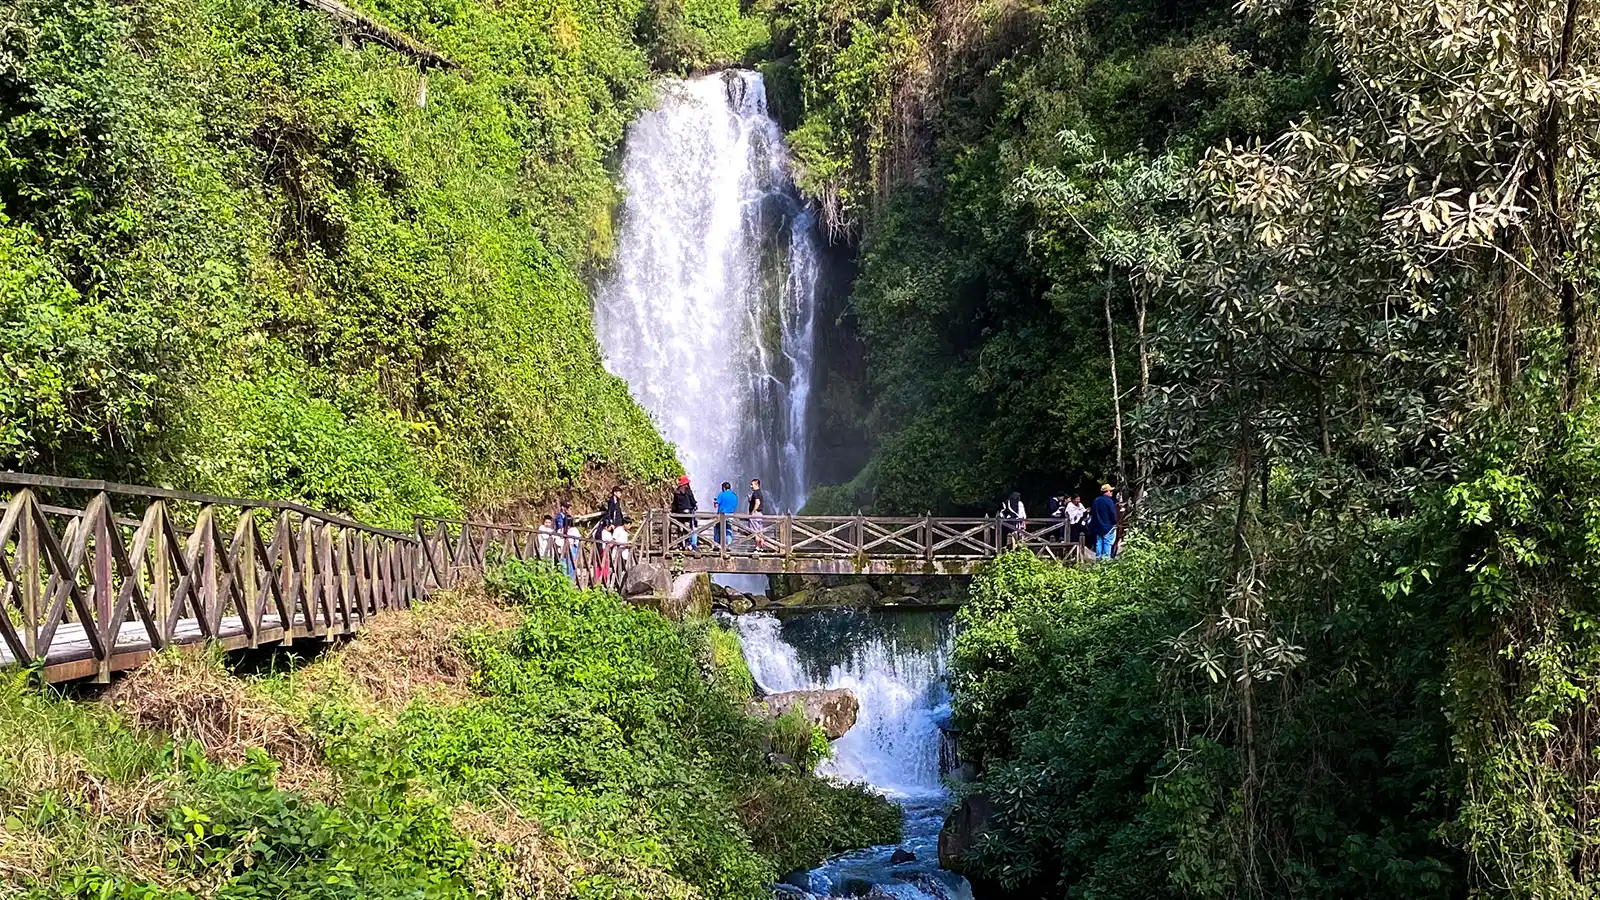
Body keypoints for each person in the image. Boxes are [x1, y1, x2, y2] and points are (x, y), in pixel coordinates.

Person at [1089, 483, 1119, 559]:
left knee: (1098, 543)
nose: (1111, 492)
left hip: (1097, 527)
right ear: (1107, 491)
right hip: (1108, 527)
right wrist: (1115, 522)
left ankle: (1098, 560)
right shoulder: (1109, 501)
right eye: (1110, 491)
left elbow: (1092, 513)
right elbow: (1112, 514)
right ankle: (1105, 562)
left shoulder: (1095, 501)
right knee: (1107, 544)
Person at [671, 475, 699, 549]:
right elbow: (693, 501)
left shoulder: (677, 492)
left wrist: (674, 512)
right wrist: (695, 505)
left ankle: (680, 543)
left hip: (680, 513)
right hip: (688, 513)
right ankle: (689, 543)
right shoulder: (688, 491)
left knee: (681, 527)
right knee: (691, 527)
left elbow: (675, 504)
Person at [714, 481, 739, 548]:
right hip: (730, 515)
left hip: (722, 515)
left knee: (717, 529)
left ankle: (717, 545)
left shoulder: (721, 494)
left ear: (724, 488)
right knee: (728, 530)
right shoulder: (734, 495)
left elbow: (716, 505)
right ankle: (729, 545)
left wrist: (715, 501)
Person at [747, 478, 769, 551]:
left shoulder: (756, 493)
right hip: (759, 514)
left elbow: (758, 502)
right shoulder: (760, 493)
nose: (751, 486)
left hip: (755, 514)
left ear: (756, 484)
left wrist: (753, 511)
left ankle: (757, 547)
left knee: (755, 531)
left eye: (752, 484)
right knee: (759, 531)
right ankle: (760, 546)